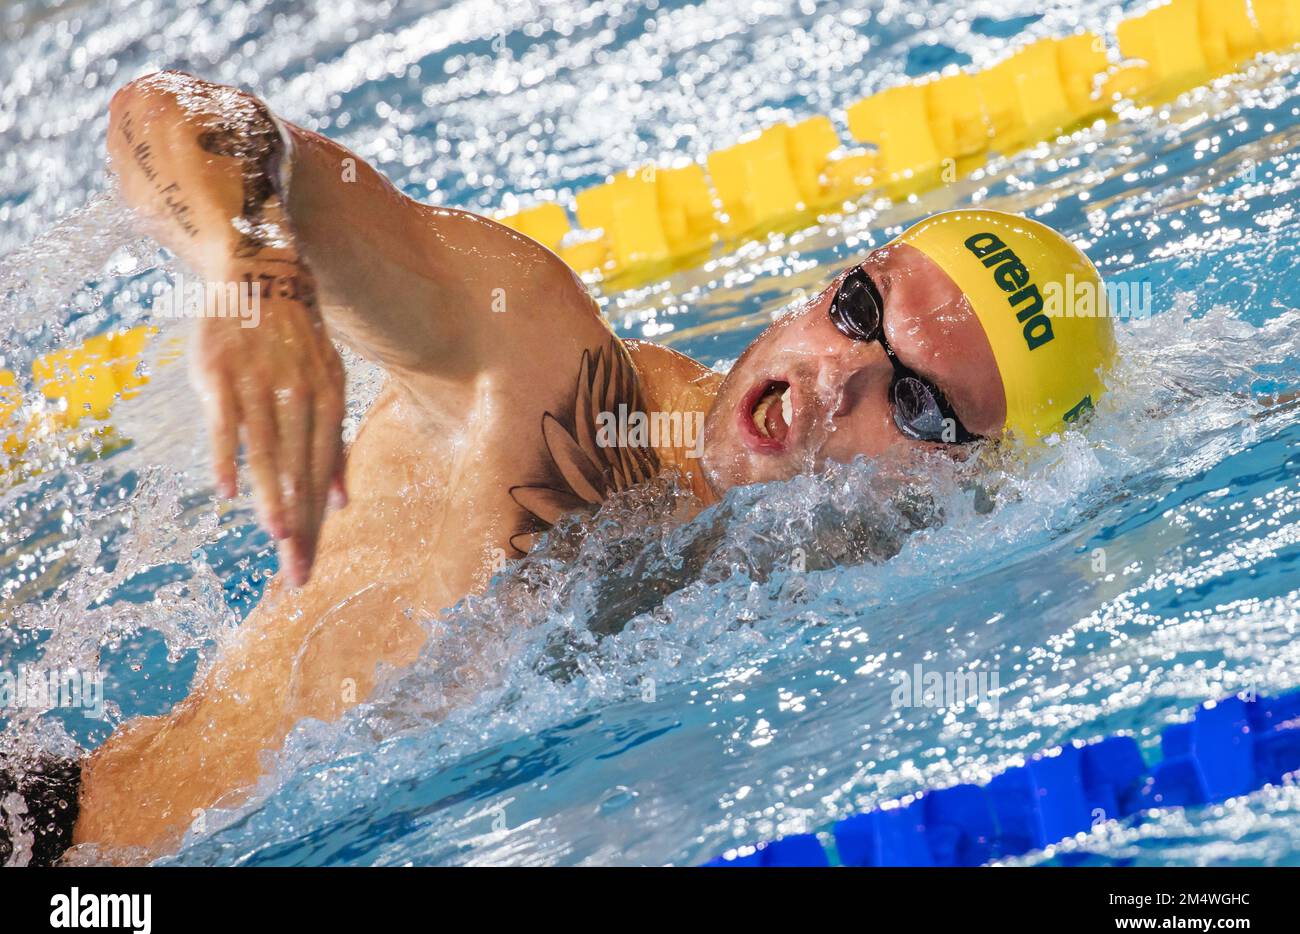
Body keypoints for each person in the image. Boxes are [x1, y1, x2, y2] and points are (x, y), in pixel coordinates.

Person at [2, 70, 1115, 863]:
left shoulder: (846, 589)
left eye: (916, 405)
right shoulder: (544, 373)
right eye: (856, 308)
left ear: (984, 483)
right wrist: (253, 270)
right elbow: (177, 115)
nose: (832, 379)